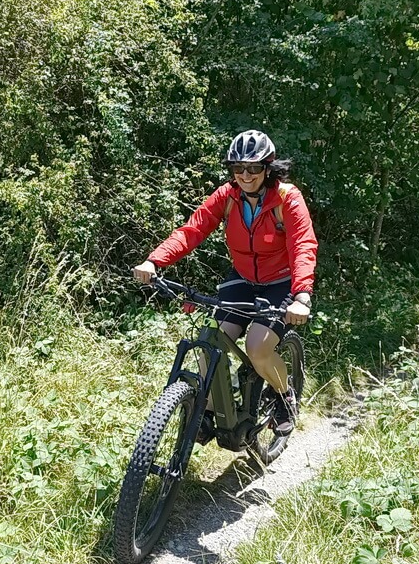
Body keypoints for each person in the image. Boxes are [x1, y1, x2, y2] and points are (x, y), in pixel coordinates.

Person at [133, 130, 317, 439]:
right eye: (237, 168)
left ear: (267, 168)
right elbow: (193, 230)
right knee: (211, 344)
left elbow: (303, 246)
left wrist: (301, 295)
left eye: (254, 168)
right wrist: (155, 261)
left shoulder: (287, 199)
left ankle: (284, 397)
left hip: (281, 283)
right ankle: (208, 411)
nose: (245, 175)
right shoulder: (227, 196)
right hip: (243, 278)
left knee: (257, 348)